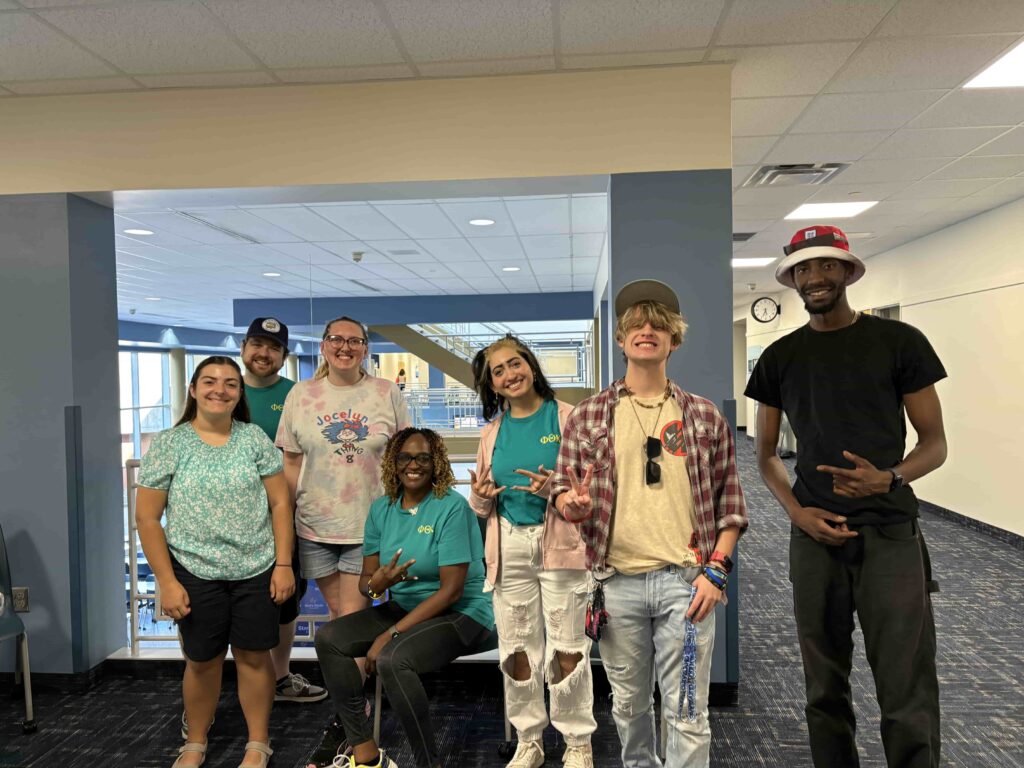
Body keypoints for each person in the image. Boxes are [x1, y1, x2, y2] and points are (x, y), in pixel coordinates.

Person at [744, 225, 947, 768]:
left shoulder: (899, 343)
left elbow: (936, 444)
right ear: (792, 279)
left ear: (848, 272)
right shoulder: (780, 357)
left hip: (890, 535)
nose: (815, 278)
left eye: (827, 267)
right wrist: (797, 513)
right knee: (823, 687)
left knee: (906, 689)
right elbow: (763, 454)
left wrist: (892, 478)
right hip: (815, 539)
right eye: (804, 270)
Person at [552, 280, 748, 768]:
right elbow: (562, 489)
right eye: (636, 325)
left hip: (686, 585)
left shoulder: (702, 416)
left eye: (658, 325)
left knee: (686, 711)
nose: (646, 331)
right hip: (616, 586)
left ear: (674, 340)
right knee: (629, 708)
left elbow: (732, 504)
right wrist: (568, 504)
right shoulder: (589, 416)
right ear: (620, 339)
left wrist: (716, 571)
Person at [135, 356, 295, 768]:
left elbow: (280, 503)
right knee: (202, 661)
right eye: (209, 382)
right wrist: (166, 582)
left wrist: (283, 564)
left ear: (240, 394)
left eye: (230, 384)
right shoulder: (170, 444)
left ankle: (258, 742)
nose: (219, 390)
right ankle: (196, 742)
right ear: (192, 389)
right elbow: (148, 519)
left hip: (256, 568)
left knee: (255, 658)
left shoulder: (254, 439)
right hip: (194, 569)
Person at [312, 427, 495, 768]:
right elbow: (367, 586)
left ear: (436, 463)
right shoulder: (382, 509)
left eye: (423, 457)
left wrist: (391, 633)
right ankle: (365, 752)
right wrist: (376, 584)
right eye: (406, 457)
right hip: (409, 609)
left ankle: (429, 763)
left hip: (465, 613)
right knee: (329, 638)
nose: (415, 464)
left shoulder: (450, 507)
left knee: (393, 660)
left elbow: (452, 590)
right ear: (393, 464)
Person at [276, 315, 411, 766]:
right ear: (324, 345)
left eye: (355, 341)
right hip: (314, 524)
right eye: (337, 339)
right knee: (338, 619)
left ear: (366, 348)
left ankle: (350, 719)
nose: (345, 347)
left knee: (347, 626)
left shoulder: (385, 393)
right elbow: (291, 464)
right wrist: (285, 522)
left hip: (368, 527)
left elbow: (406, 457)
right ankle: (358, 705)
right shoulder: (302, 394)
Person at [468, 335, 595, 768]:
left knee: (567, 649)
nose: (509, 374)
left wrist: (553, 490)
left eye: (514, 363)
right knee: (517, 651)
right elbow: (484, 502)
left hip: (559, 544)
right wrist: (481, 498)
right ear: (492, 386)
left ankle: (578, 743)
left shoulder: (568, 418)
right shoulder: (492, 432)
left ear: (531, 365)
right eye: (498, 371)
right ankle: (529, 740)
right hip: (509, 547)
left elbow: (590, 489)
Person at [241, 317, 327, 705]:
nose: (264, 353)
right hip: (233, 519)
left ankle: (279, 677)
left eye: (273, 348)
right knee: (234, 602)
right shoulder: (225, 391)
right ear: (243, 347)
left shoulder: (298, 395)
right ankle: (243, 683)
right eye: (257, 344)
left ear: (284, 356)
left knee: (286, 598)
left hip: (286, 514)